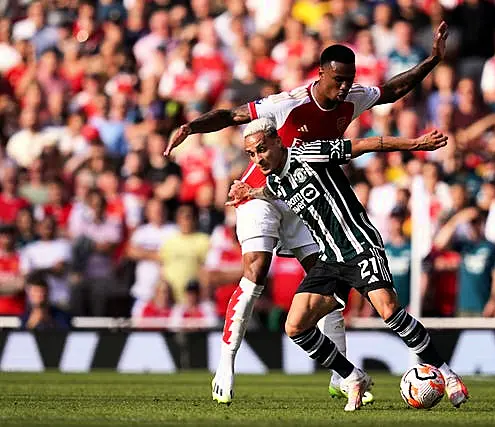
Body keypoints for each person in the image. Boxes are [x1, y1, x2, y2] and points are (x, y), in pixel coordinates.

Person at [164, 22, 450, 405]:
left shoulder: (355, 97)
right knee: (256, 269)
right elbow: (232, 117)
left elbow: (393, 90)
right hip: (260, 192)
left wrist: (431, 60)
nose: (344, 87)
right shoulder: (288, 103)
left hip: (306, 199)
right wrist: (190, 127)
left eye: (349, 80)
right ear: (321, 74)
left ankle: (343, 374)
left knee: (326, 273)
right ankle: (227, 362)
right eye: (337, 80)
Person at [226, 119, 467, 412]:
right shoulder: (275, 181)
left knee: (389, 311)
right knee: (295, 326)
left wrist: (415, 144)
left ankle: (449, 375)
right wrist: (250, 193)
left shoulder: (309, 154)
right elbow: (275, 192)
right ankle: (352, 376)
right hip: (329, 258)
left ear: (278, 142)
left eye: (262, 149)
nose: (258, 158)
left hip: (359, 246)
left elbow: (366, 145)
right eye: (251, 154)